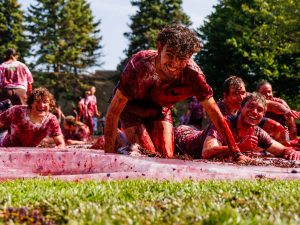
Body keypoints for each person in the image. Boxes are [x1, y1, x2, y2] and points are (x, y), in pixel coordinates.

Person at [103, 24, 242, 160]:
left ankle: (128, 142)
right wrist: (109, 155)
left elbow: (215, 114)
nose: (174, 64)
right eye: (170, 55)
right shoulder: (139, 64)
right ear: (159, 48)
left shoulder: (194, 75)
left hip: (159, 111)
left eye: (181, 59)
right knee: (147, 155)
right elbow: (113, 112)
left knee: (166, 158)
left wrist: (236, 153)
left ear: (189, 58)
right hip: (131, 110)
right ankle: (122, 140)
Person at [174, 93, 300, 160]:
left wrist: (291, 152)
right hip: (182, 137)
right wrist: (238, 147)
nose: (254, 112)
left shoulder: (257, 132)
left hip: (196, 132)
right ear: (241, 108)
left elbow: (281, 149)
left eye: (259, 110)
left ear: (263, 115)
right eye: (250, 107)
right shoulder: (224, 123)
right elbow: (206, 153)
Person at [0, 87, 65, 147]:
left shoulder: (51, 120)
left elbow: (61, 143)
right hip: (8, 149)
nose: (41, 105)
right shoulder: (16, 111)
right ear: (30, 103)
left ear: (50, 104)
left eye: (45, 102)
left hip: (30, 153)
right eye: (37, 101)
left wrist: (57, 149)